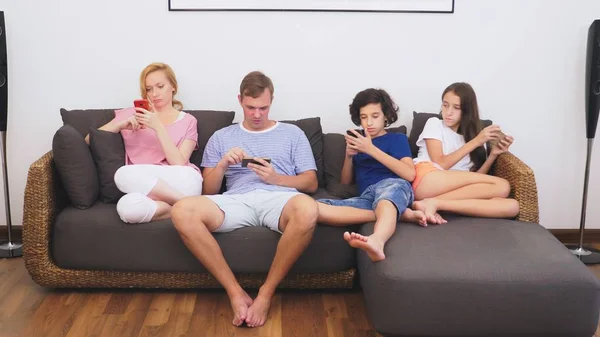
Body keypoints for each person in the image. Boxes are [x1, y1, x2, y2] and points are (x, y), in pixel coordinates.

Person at [171, 71, 319, 328]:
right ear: (240, 100)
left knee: (308, 209)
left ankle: (265, 294)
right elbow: (208, 191)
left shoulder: (293, 133)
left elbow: (311, 183)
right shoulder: (222, 137)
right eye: (251, 108)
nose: (257, 114)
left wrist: (277, 179)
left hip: (280, 199)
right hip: (236, 201)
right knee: (182, 210)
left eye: (263, 107)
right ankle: (235, 293)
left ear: (272, 100)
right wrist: (222, 164)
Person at [316, 88, 435, 262]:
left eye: (375, 116)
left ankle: (377, 241)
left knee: (385, 198)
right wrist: (349, 157)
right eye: (364, 117)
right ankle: (400, 213)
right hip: (367, 197)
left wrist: (371, 149)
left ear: (386, 116)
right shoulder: (359, 141)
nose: (368, 123)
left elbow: (409, 174)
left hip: (393, 186)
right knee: (316, 207)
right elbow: (345, 182)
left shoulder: (396, 139)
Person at [86, 62, 203, 223]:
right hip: (143, 187)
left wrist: (158, 127)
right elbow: (89, 140)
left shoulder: (188, 120)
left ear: (173, 87)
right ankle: (182, 206)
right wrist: (120, 125)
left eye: (160, 86)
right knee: (127, 208)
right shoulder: (131, 114)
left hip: (181, 181)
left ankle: (185, 202)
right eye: (149, 89)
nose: (155, 93)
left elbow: (179, 162)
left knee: (123, 174)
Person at [411, 82, 520, 220]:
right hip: (427, 178)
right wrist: (476, 141)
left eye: (456, 108)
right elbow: (440, 163)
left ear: (467, 111)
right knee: (503, 186)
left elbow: (476, 182)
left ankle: (436, 204)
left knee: (512, 206)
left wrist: (493, 155)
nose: (448, 112)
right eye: (445, 105)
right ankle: (432, 202)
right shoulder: (434, 124)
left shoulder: (474, 137)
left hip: (450, 190)